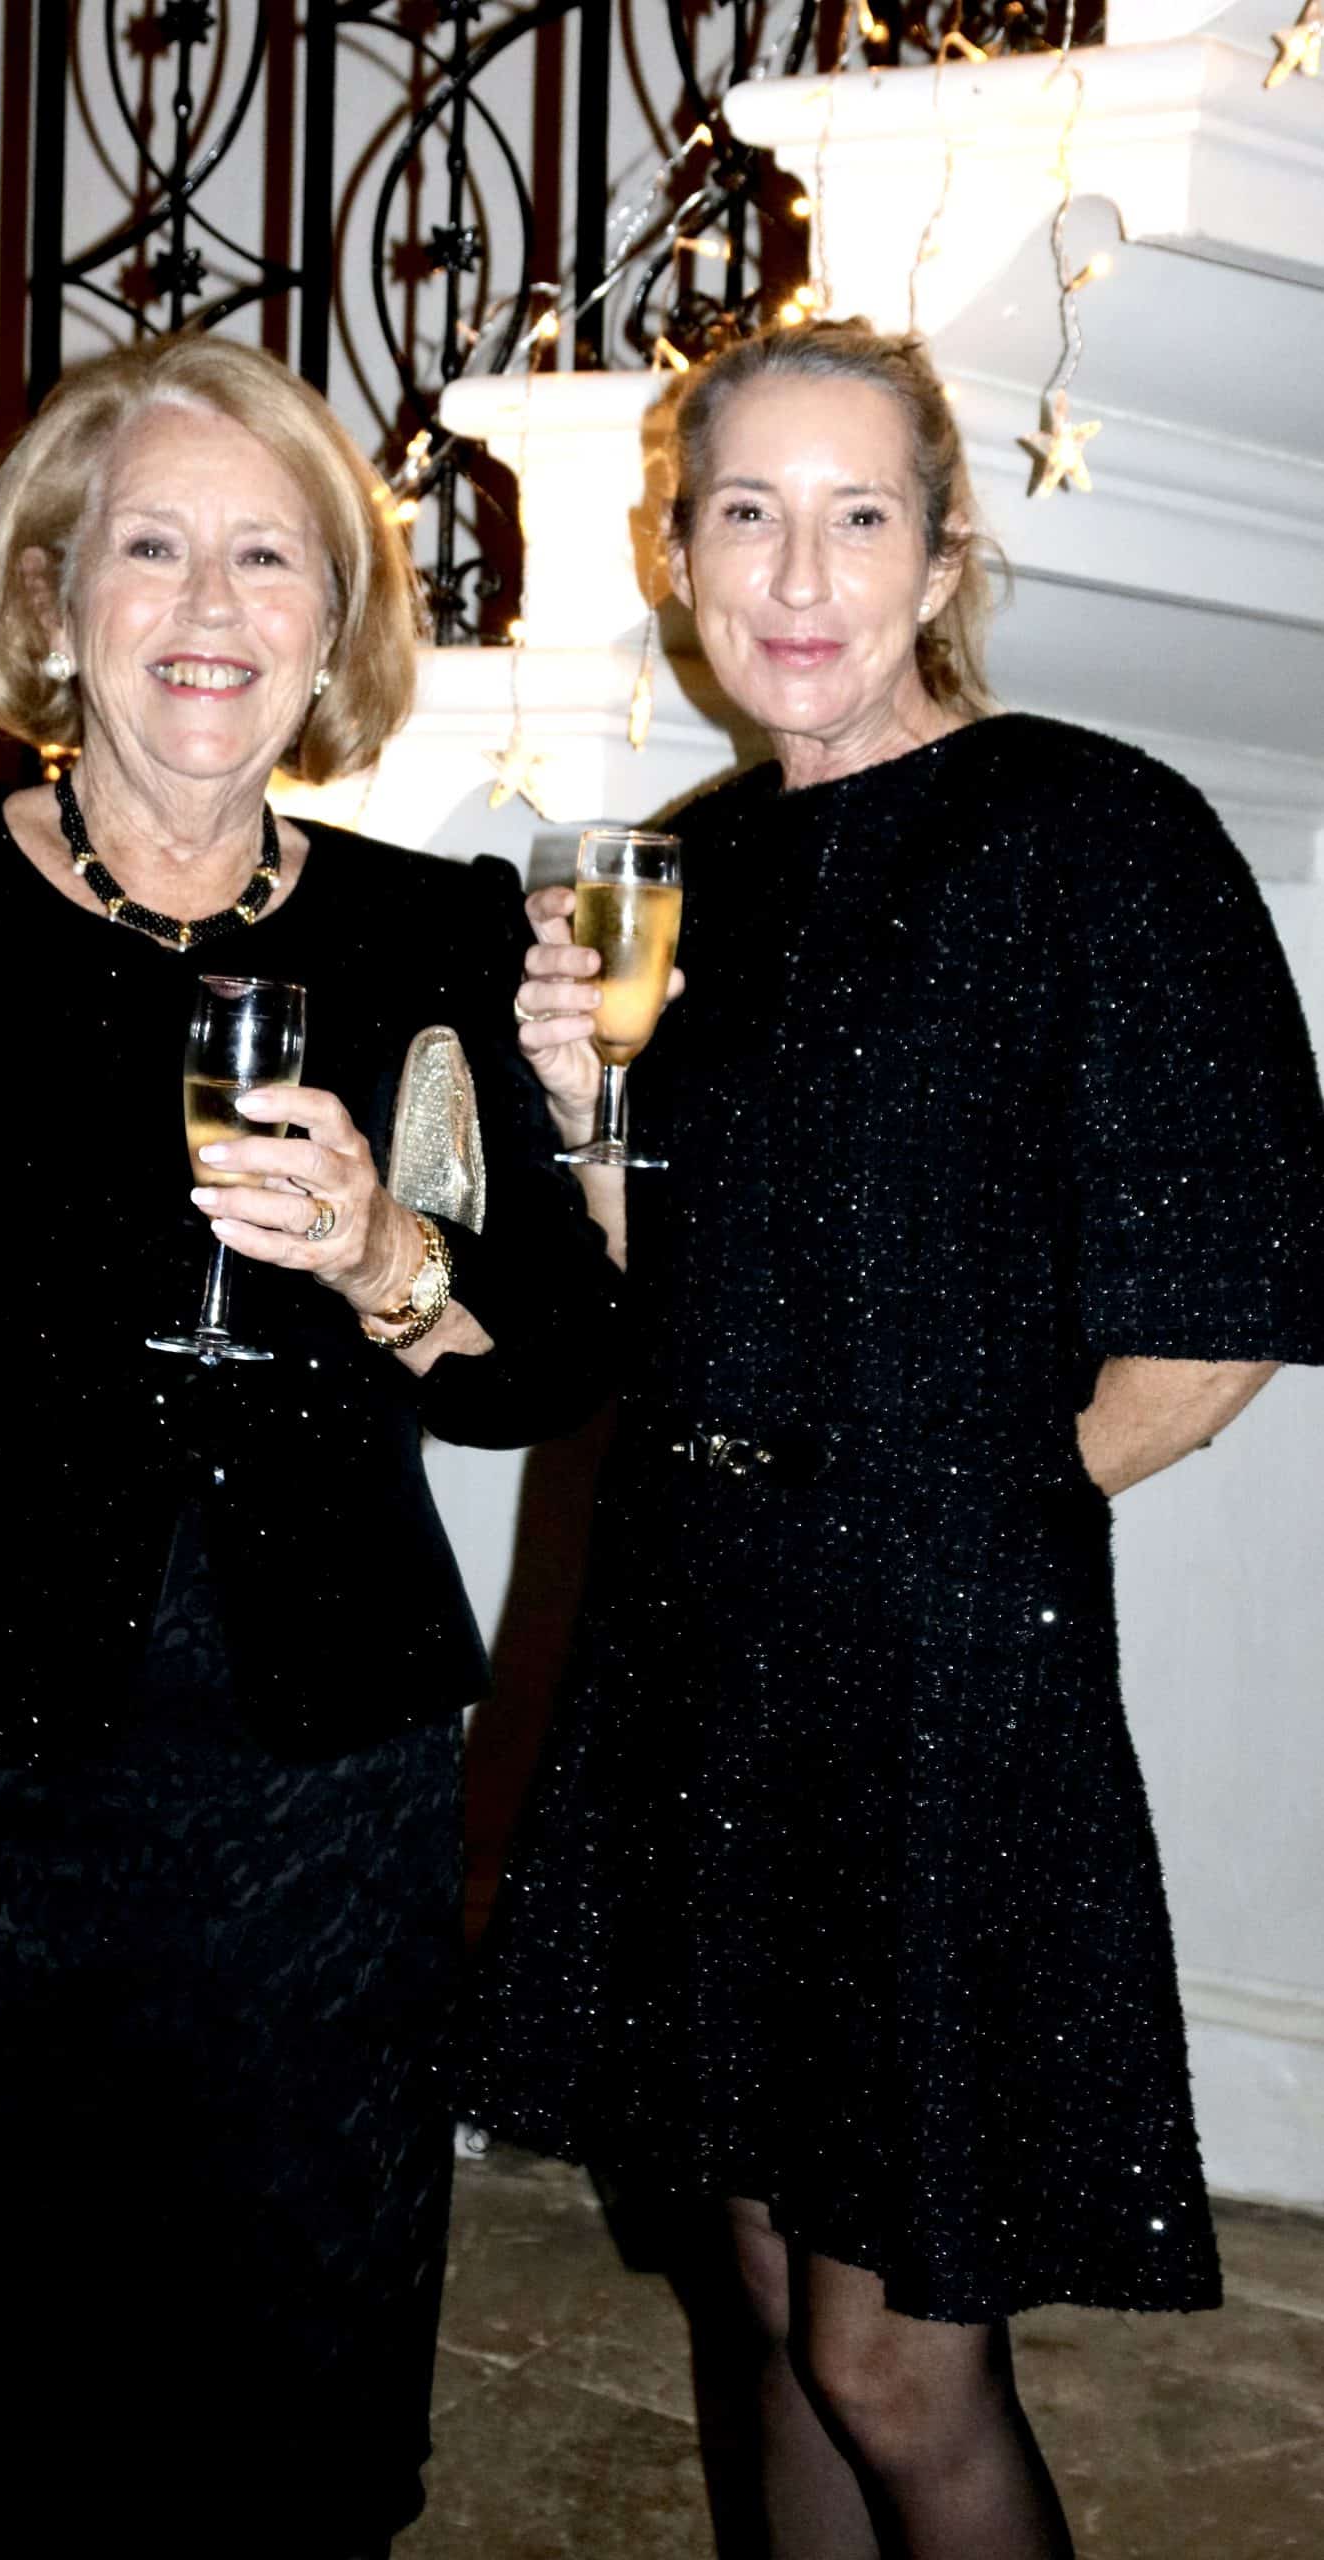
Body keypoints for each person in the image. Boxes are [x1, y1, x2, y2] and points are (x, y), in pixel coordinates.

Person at [0, 332, 618, 2558]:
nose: (209, 606)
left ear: (335, 624)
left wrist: (387, 1254)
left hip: (319, 1783)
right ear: (54, 597)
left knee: (276, 2385)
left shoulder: (426, 929)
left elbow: (539, 1358)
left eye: (270, 558)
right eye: (152, 547)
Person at [461, 318, 1324, 2558]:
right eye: (746, 514)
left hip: (935, 1669)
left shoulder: (1089, 829)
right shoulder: (692, 872)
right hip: (693, 1640)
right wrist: (586, 1106)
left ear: (942, 559)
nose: (796, 572)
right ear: (676, 555)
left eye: (857, 516)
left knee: (890, 2351)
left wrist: (969, 1525)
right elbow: (678, 1283)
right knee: (759, 2297)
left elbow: (1229, 1302)